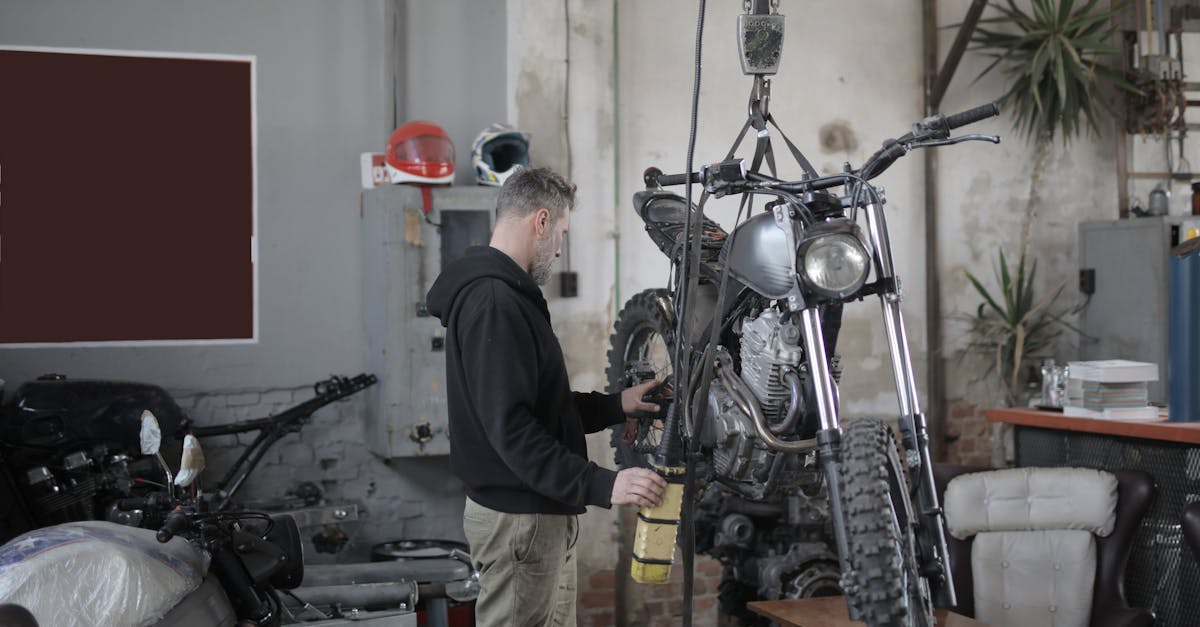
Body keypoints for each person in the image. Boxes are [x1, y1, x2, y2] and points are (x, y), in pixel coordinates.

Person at [426, 167, 668, 626]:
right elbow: (512, 431)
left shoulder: (505, 296)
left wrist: (617, 405)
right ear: (540, 222)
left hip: (535, 515)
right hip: (522, 521)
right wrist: (603, 483)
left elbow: (539, 408)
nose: (559, 247)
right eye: (560, 233)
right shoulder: (495, 303)